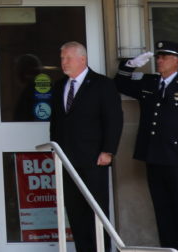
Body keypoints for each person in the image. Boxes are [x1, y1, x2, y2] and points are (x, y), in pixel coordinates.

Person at [113, 40, 178, 252]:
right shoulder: (150, 83)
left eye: (164, 57)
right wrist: (130, 65)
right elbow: (120, 83)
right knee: (162, 212)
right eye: (158, 57)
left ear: (177, 61)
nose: (159, 60)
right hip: (154, 157)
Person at [48, 41, 121, 252]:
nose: (63, 62)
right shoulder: (59, 85)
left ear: (82, 59)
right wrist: (56, 151)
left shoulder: (102, 84)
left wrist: (108, 150)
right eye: (62, 58)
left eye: (68, 58)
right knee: (75, 212)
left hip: (93, 159)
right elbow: (56, 122)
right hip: (67, 161)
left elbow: (114, 120)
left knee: (96, 212)